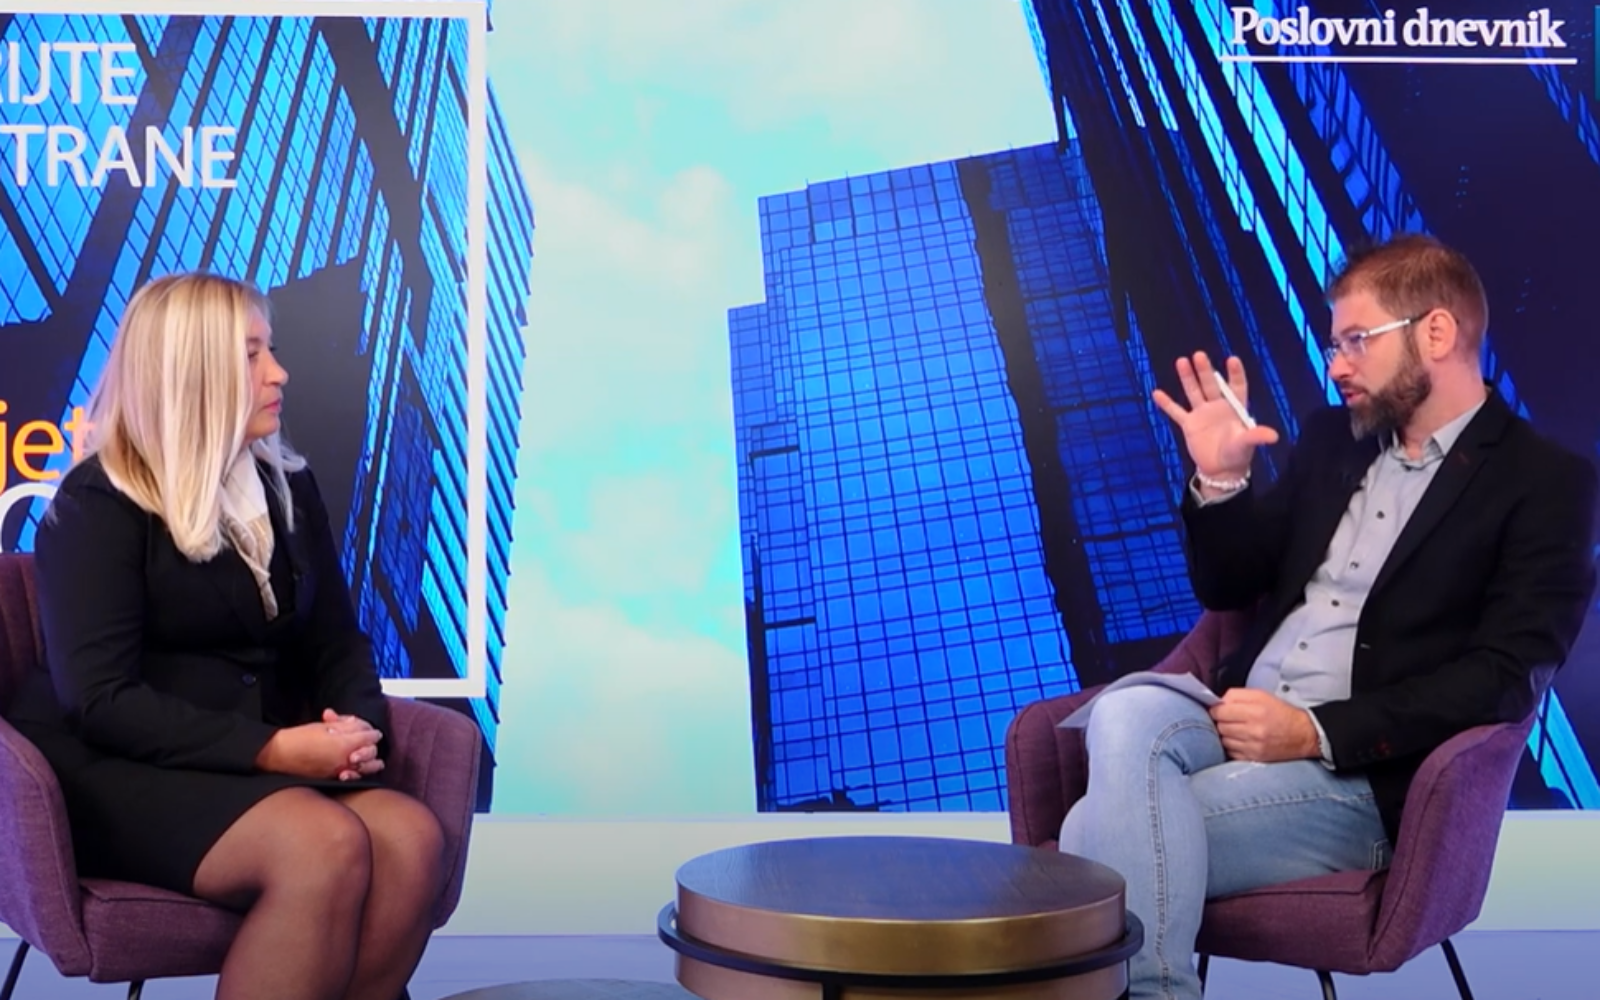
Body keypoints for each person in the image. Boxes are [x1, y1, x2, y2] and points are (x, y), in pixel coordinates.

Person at [1058, 233, 1598, 1000]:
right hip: (1234, 717)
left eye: (1356, 341)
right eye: (1334, 344)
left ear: (1436, 333)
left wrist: (1313, 731)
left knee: (1090, 835)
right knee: (1124, 710)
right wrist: (1221, 480)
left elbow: (1504, 679)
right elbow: (1232, 585)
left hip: (1358, 778)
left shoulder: (1545, 482)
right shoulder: (1331, 443)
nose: (1337, 365)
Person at [4, 272, 446, 1000]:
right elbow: (101, 700)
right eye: (251, 355)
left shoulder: (289, 486)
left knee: (412, 837)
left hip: (240, 765)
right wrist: (275, 749)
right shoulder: (98, 501)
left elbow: (336, 640)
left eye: (269, 349)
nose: (280, 373)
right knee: (322, 846)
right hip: (114, 769)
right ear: (192, 371)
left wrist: (354, 729)